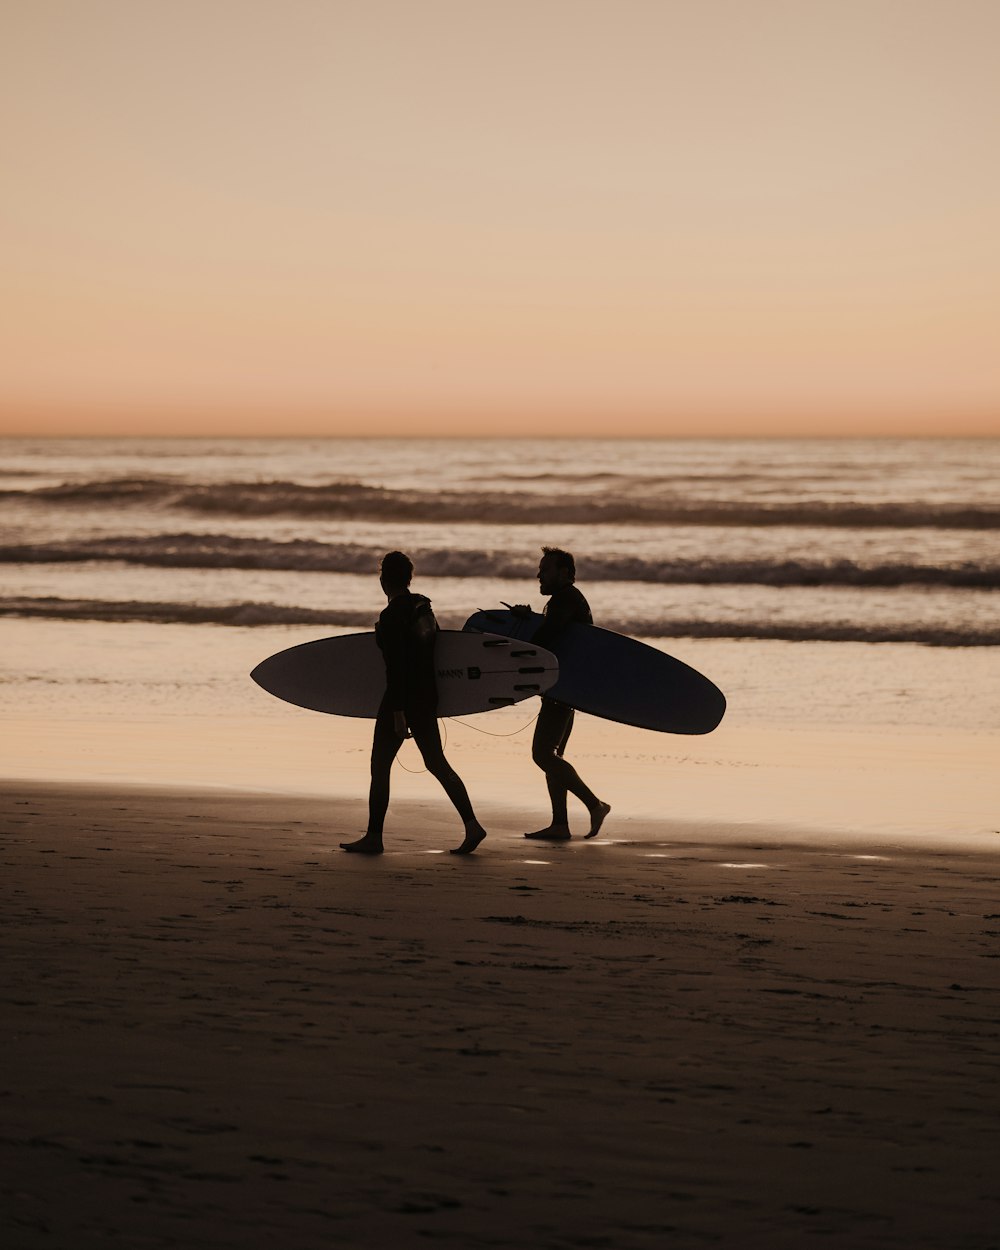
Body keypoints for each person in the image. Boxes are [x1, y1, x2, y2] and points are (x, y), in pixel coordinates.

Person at [341, 552, 488, 856]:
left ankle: (374, 837)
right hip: (426, 695)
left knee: (379, 767)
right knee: (436, 762)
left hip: (402, 698)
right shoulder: (424, 609)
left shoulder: (393, 615)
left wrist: (397, 713)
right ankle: (472, 825)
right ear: (408, 579)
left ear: (384, 581)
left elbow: (396, 667)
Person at [513, 547, 611, 841]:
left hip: (563, 689)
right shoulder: (566, 600)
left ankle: (595, 804)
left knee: (542, 754)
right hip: (565, 687)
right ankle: (559, 824)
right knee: (554, 755)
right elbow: (555, 632)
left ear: (564, 573)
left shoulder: (564, 599)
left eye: (545, 569)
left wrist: (516, 648)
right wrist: (528, 618)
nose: (539, 574)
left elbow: (546, 638)